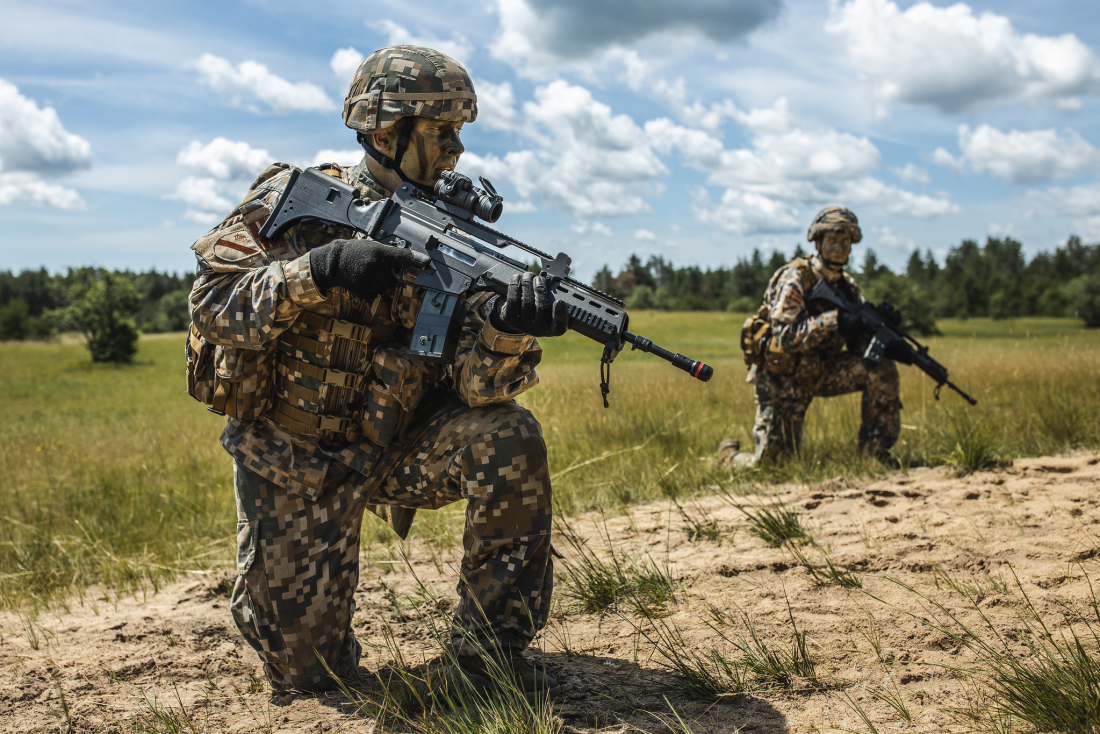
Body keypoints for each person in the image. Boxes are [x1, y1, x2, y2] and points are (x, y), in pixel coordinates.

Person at [185, 45, 567, 696]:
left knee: (509, 436)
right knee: (309, 676)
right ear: (386, 131)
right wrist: (321, 270)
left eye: (460, 133)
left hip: (391, 446)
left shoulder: (454, 237)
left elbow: (477, 389)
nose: (457, 150)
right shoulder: (296, 201)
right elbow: (212, 306)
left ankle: (485, 664)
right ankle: (279, 604)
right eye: (441, 132)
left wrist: (508, 326)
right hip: (295, 461)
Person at [721, 206, 901, 467]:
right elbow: (785, 337)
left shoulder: (849, 288)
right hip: (783, 380)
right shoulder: (797, 278)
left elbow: (858, 343)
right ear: (818, 242)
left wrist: (880, 330)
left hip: (822, 371)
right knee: (774, 466)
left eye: (845, 241)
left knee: (880, 367)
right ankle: (730, 459)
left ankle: (874, 455)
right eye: (831, 240)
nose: (838, 247)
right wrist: (832, 320)